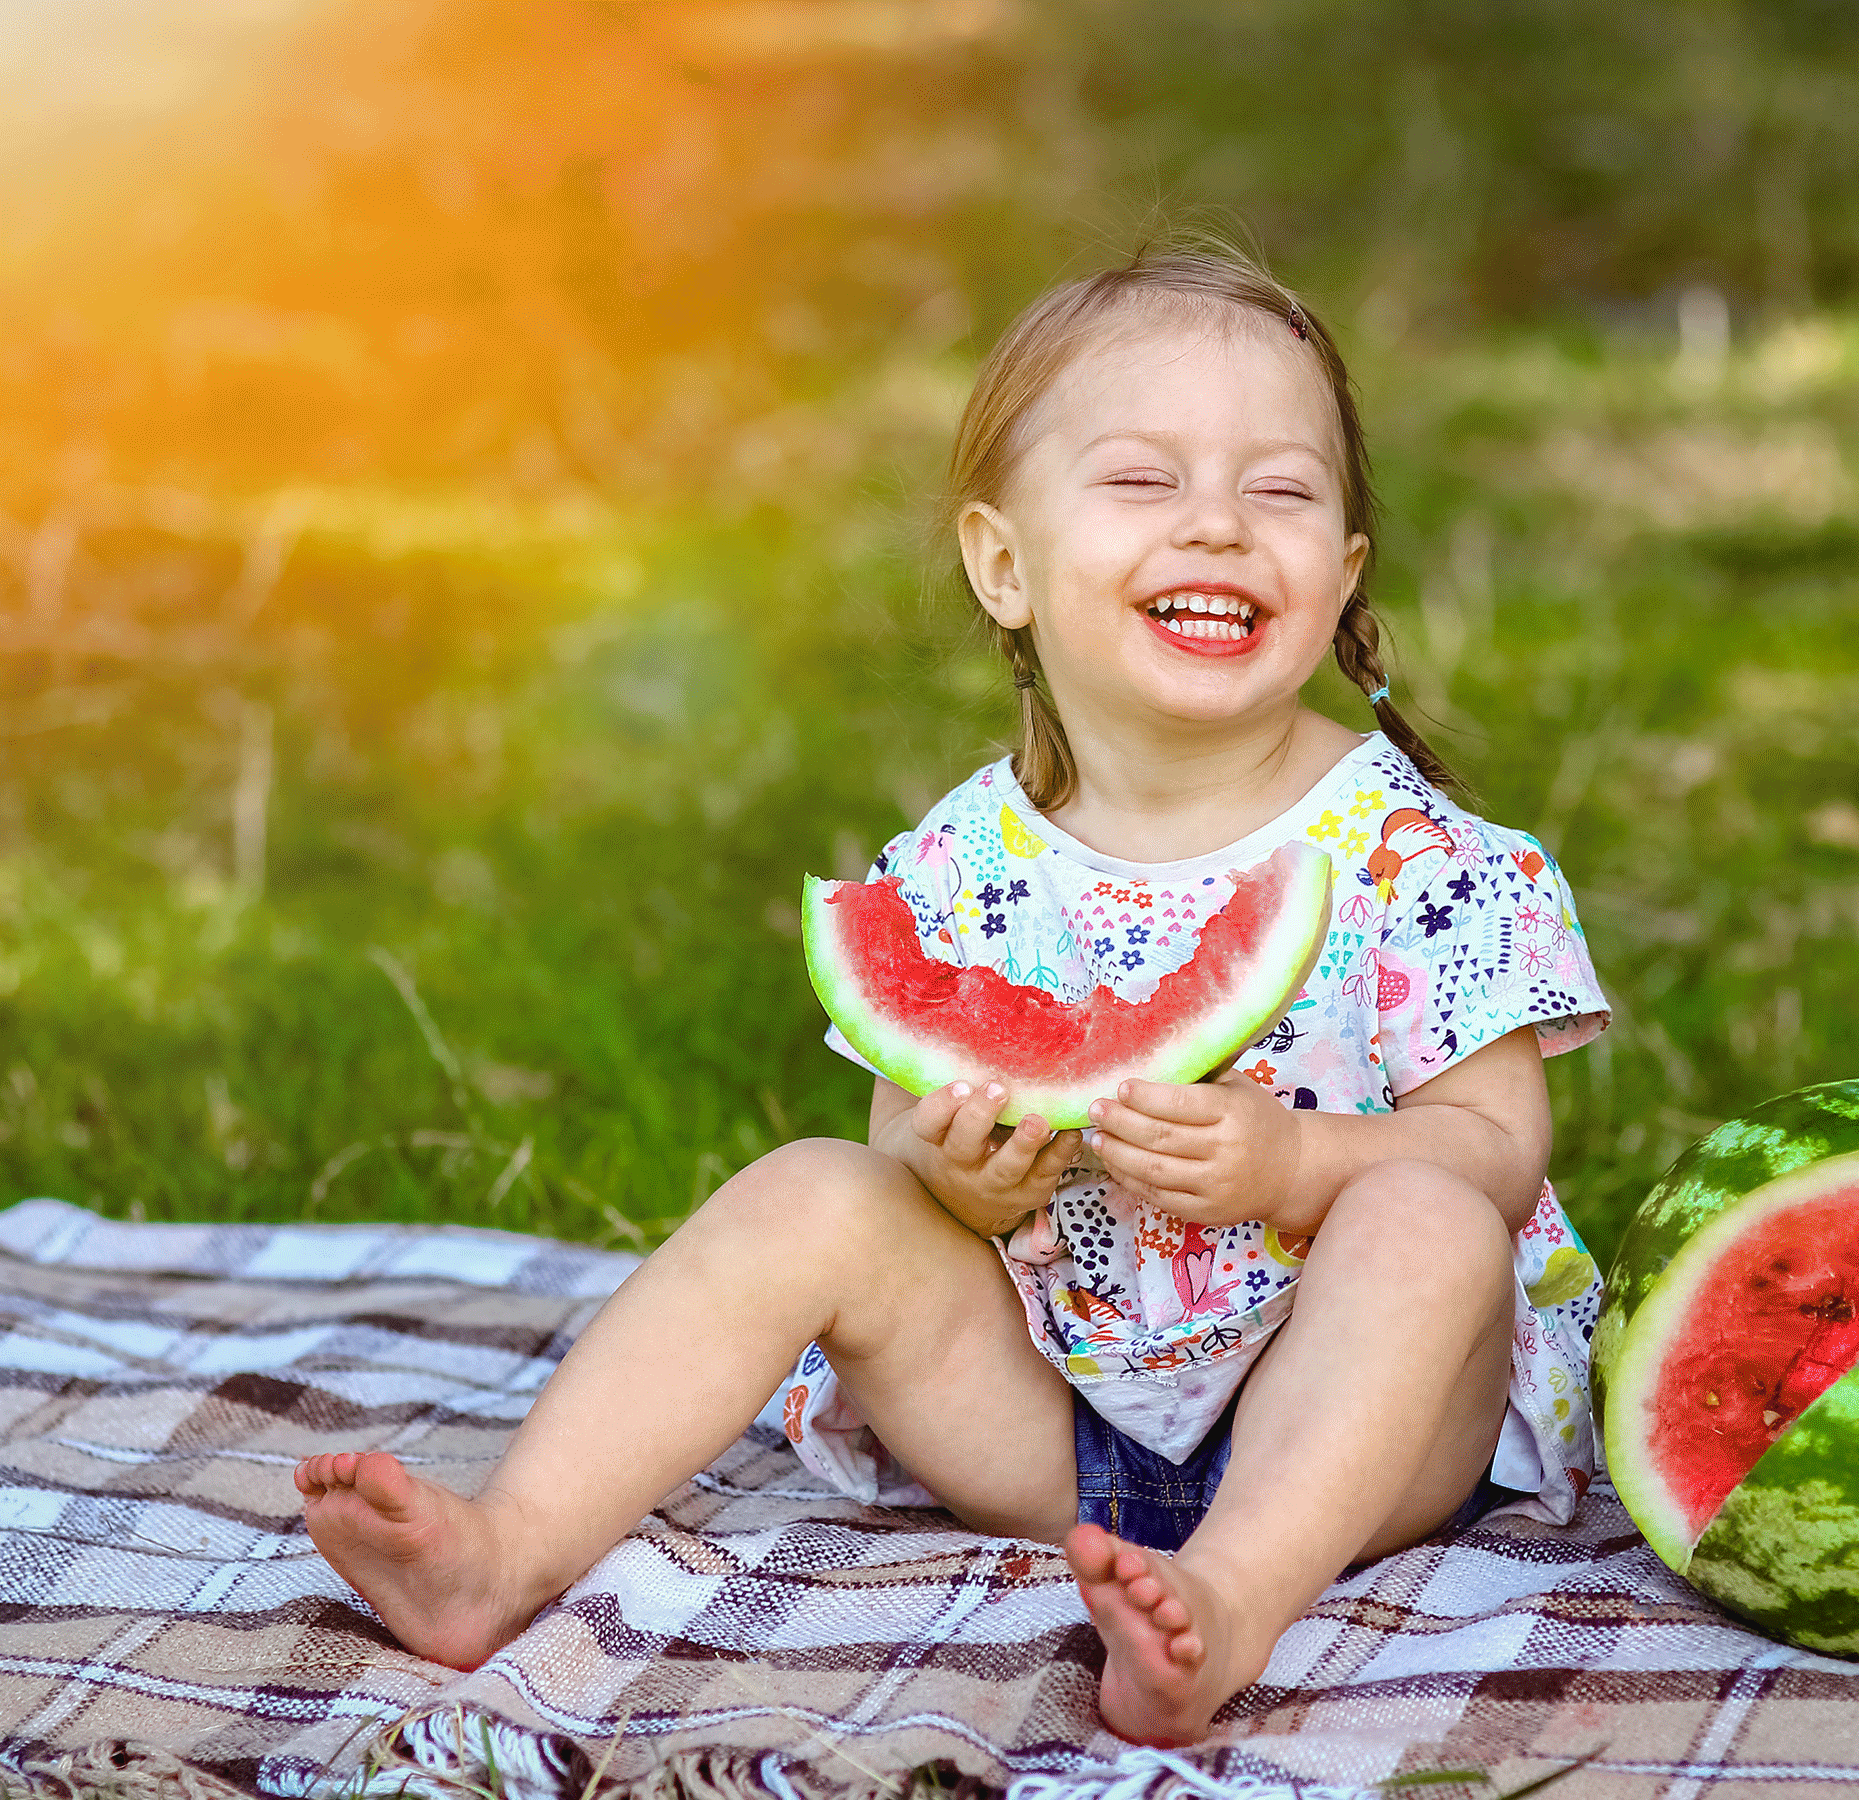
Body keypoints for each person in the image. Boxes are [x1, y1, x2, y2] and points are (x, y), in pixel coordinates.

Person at [294, 238, 1610, 1749]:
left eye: (1283, 491)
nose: (1219, 525)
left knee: (1430, 1221)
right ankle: (506, 1548)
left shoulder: (1421, 855)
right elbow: (899, 1141)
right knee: (813, 1191)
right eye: (1144, 480)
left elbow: (1498, 1151)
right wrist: (960, 1178)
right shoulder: (959, 866)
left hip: (1367, 1447)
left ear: (1347, 575)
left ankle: (1232, 1606)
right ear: (1004, 565)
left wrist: (1300, 1160)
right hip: (1053, 1429)